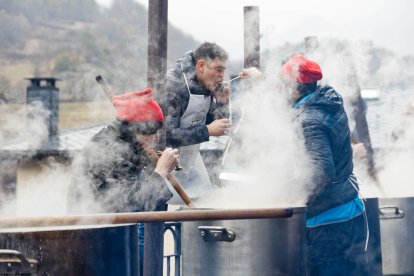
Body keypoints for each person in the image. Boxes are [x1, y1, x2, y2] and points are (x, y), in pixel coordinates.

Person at [67, 88, 179, 274]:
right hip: (98, 240)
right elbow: (133, 203)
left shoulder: (122, 141)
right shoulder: (110, 150)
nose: (156, 138)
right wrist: (160, 172)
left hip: (108, 234)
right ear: (136, 129)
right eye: (152, 131)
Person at [277, 53, 368, 275]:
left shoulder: (309, 120)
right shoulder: (330, 104)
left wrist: (286, 193)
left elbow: (321, 173)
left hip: (328, 222)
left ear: (293, 88)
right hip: (351, 209)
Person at [162, 41, 232, 204]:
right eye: (219, 69)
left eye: (224, 71)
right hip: (162, 156)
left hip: (190, 154)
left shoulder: (207, 85)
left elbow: (215, 121)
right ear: (201, 65)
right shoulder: (173, 87)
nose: (222, 76)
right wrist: (207, 131)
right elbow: (168, 135)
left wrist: (222, 102)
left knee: (206, 201)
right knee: (165, 204)